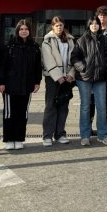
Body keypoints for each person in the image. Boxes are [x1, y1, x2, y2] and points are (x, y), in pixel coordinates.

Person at [70, 16, 107, 146]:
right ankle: (85, 136)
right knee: (85, 107)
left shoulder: (105, 40)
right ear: (88, 25)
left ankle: (103, 135)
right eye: (92, 24)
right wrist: (82, 68)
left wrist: (106, 66)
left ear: (100, 26)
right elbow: (74, 57)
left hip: (100, 78)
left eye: (96, 23)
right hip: (84, 78)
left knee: (101, 107)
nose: (94, 25)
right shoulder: (81, 40)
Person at [0, 20, 42, 150]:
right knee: (9, 113)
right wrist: (1, 82)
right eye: (21, 29)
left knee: (23, 113)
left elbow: (37, 67)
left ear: (29, 31)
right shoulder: (9, 46)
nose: (24, 31)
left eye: (26, 29)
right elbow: (2, 66)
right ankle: (9, 139)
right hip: (10, 86)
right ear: (17, 30)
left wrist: (37, 82)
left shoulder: (34, 47)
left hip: (27, 86)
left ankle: (19, 138)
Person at [41, 16, 75, 147]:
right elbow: (48, 60)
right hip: (52, 78)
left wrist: (71, 75)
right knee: (51, 106)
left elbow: (74, 58)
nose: (59, 27)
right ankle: (47, 136)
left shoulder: (70, 40)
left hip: (67, 78)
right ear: (52, 27)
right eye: (56, 25)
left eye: (61, 25)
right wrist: (58, 77)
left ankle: (60, 134)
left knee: (63, 106)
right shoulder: (47, 41)